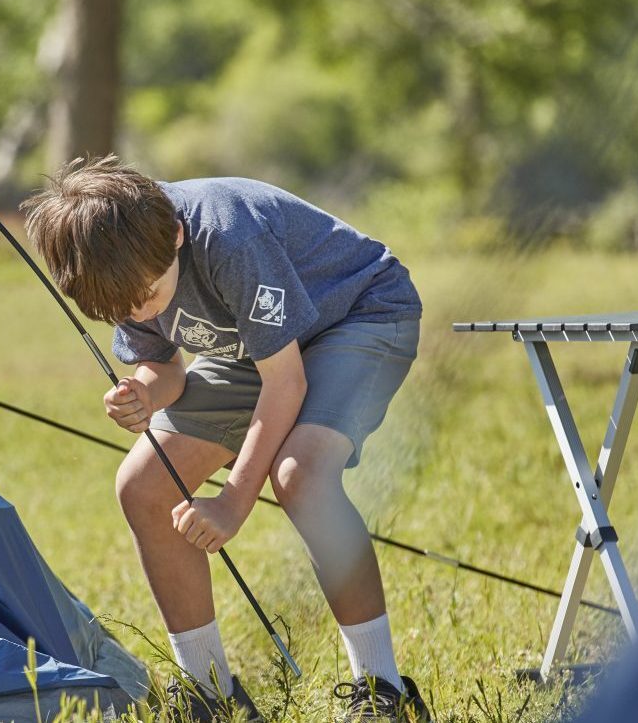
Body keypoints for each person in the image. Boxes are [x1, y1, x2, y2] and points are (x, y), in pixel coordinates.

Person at [22, 156, 430, 722]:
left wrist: (235, 499)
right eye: (122, 308)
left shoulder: (227, 234)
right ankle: (211, 694)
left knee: (300, 476)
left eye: (149, 292)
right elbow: (164, 368)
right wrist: (143, 391)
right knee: (142, 485)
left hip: (356, 315)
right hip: (250, 348)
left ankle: (383, 690)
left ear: (178, 236)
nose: (140, 310)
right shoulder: (119, 259)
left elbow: (285, 383)